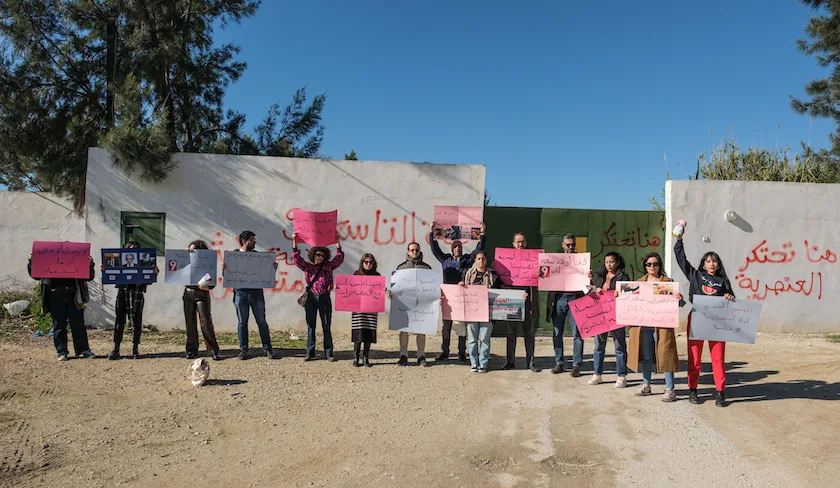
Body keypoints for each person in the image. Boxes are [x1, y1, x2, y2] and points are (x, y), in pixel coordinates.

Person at [675, 230, 736, 407]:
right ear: (703, 264)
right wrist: (679, 240)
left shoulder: (723, 281)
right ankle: (693, 390)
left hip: (717, 322)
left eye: (714, 261)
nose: (711, 264)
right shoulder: (696, 276)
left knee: (718, 358)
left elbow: (732, 301)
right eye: (708, 261)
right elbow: (681, 260)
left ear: (718, 264)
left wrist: (729, 298)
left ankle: (720, 392)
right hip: (697, 319)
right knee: (694, 357)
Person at [625, 252, 683, 402]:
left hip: (662, 326)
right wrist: (620, 295)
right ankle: (646, 385)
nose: (652, 267)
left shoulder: (666, 283)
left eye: (655, 264)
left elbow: (674, 304)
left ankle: (670, 389)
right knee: (646, 356)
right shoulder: (638, 284)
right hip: (644, 326)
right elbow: (628, 301)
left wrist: (678, 299)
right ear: (645, 266)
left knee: (665, 354)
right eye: (649, 264)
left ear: (659, 265)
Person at [429, 220, 486, 362]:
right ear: (452, 249)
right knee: (446, 326)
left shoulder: (467, 260)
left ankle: (461, 352)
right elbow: (435, 249)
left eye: (459, 247)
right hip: (448, 297)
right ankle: (445, 351)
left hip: (463, 297)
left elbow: (479, 249)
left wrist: (482, 234)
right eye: (455, 247)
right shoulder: (445, 260)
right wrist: (432, 233)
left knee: (461, 326)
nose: (457, 249)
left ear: (462, 248)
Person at [27, 251, 96, 360]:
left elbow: (88, 276)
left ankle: (83, 350)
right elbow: (36, 275)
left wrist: (90, 264)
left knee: (78, 324)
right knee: (58, 325)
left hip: (74, 296)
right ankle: (61, 351)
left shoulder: (76, 260)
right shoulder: (49, 260)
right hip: (55, 295)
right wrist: (32, 261)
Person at [223, 230, 279, 360]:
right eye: (252, 240)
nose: (255, 242)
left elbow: (266, 274)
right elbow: (226, 276)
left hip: (256, 293)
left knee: (261, 321)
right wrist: (225, 270)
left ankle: (268, 348)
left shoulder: (258, 257)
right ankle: (243, 349)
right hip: (240, 292)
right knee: (242, 322)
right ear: (244, 241)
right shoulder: (233, 256)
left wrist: (272, 269)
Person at [292, 231, 344, 362]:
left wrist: (338, 242)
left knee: (326, 326)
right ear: (313, 255)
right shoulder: (308, 268)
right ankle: (310, 352)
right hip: (311, 298)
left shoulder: (328, 267)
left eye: (322, 255)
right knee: (311, 326)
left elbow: (339, 258)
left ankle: (329, 353)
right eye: (318, 255)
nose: (320, 257)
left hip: (325, 298)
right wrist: (294, 242)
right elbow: (296, 259)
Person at [106, 240, 159, 360]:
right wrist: (105, 270)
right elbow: (111, 275)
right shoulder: (120, 264)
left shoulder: (144, 264)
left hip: (137, 293)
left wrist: (154, 273)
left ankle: (135, 348)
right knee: (119, 322)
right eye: (129, 251)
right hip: (122, 293)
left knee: (137, 322)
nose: (131, 255)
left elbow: (149, 280)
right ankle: (116, 349)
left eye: (135, 250)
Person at [546, 234, 588, 376]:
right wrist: (542, 274)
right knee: (557, 333)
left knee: (577, 334)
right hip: (558, 299)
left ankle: (576, 365)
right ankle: (559, 363)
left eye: (573, 245)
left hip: (576, 299)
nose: (571, 247)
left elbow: (587, 282)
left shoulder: (581, 261)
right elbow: (545, 276)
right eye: (568, 245)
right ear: (563, 245)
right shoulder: (554, 260)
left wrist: (589, 276)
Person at [499, 232, 541, 372]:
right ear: (513, 244)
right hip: (513, 302)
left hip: (528, 302)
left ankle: (531, 362)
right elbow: (502, 282)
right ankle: (510, 361)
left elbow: (542, 279)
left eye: (522, 241)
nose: (520, 244)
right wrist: (514, 295)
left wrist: (539, 275)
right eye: (518, 242)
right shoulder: (506, 260)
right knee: (511, 333)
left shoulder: (534, 259)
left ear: (526, 243)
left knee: (529, 333)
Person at [589, 251, 632, 387]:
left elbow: (628, 293)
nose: (609, 264)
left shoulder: (623, 276)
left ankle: (621, 376)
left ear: (617, 262)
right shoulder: (600, 275)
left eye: (612, 262)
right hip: (600, 314)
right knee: (599, 345)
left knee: (619, 346)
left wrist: (619, 294)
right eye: (607, 262)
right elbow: (592, 292)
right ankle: (597, 374)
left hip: (616, 314)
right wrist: (594, 287)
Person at [458, 251, 501, 373]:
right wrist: (461, 285)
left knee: (484, 339)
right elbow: (462, 288)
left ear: (486, 260)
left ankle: (483, 363)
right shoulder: (468, 273)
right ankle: (473, 363)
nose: (481, 261)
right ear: (475, 260)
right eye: (478, 259)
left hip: (487, 313)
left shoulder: (493, 275)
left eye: (483, 259)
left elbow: (501, 290)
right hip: (471, 312)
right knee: (472, 339)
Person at [394, 241, 432, 366]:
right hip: (405, 303)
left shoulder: (427, 268)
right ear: (408, 252)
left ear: (420, 251)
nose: (414, 252)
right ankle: (403, 355)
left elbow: (431, 287)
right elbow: (397, 286)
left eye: (417, 250)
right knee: (404, 330)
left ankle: (421, 355)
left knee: (421, 329)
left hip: (421, 303)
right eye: (412, 250)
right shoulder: (401, 268)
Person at [183, 240, 221, 360]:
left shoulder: (207, 262)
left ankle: (213, 350)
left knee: (205, 322)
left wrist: (207, 286)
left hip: (202, 294)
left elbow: (211, 279)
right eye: (190, 250)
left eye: (193, 250)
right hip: (188, 292)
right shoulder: (187, 261)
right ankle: (191, 350)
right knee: (190, 322)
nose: (191, 252)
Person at [349, 253, 380, 367]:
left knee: (368, 333)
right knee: (358, 333)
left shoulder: (377, 276)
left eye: (371, 262)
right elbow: (350, 289)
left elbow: (378, 291)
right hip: (358, 309)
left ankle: (366, 357)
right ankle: (356, 357)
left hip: (371, 309)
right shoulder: (356, 274)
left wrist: (382, 290)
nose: (368, 264)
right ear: (362, 263)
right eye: (366, 262)